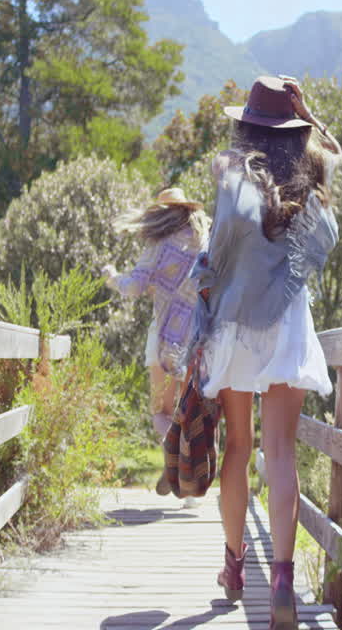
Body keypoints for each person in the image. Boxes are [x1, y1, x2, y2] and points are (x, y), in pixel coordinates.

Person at [189, 75, 342, 629]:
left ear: (245, 124)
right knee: (279, 451)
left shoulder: (230, 175)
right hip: (287, 324)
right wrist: (311, 114)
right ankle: (282, 579)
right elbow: (335, 154)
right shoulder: (314, 182)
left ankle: (234, 569)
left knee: (238, 446)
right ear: (296, 129)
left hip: (235, 323)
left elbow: (218, 256)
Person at [102, 188, 210, 501]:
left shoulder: (157, 244)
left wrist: (111, 277)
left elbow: (134, 287)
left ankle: (172, 454)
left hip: (164, 334)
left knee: (160, 411)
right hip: (198, 336)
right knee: (190, 412)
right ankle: (189, 492)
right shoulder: (203, 241)